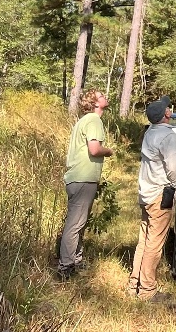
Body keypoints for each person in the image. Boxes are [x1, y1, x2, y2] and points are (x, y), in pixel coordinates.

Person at [127, 94, 176, 301]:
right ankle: (148, 290)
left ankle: (135, 284)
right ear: (166, 114)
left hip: (147, 192)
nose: (170, 108)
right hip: (161, 194)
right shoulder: (168, 137)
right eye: (168, 108)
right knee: (154, 243)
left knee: (144, 240)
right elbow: (174, 169)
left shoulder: (150, 132)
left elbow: (162, 151)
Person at [58, 88, 113, 280]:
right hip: (83, 178)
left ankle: (76, 260)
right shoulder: (93, 120)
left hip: (78, 177)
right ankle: (65, 267)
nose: (104, 97)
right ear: (95, 103)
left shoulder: (84, 121)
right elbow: (95, 149)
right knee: (75, 224)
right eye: (100, 96)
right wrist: (109, 151)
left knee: (79, 222)